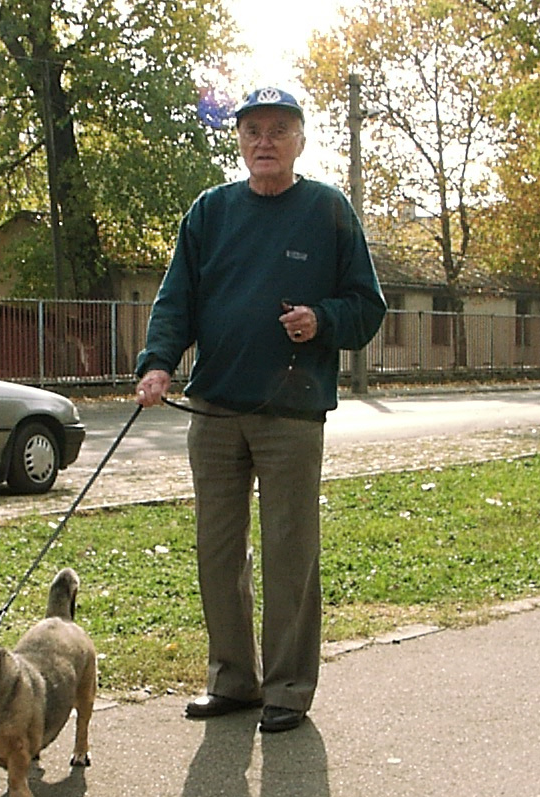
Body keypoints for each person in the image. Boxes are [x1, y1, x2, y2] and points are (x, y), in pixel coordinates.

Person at [134, 87, 386, 733]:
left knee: (288, 553)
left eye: (278, 130)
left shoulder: (327, 209)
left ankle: (287, 690)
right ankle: (233, 681)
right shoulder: (211, 211)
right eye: (252, 131)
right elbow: (175, 299)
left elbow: (367, 306)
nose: (264, 141)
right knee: (219, 554)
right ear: (240, 140)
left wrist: (321, 319)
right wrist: (158, 363)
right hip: (215, 408)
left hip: (291, 414)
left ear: (300, 139)